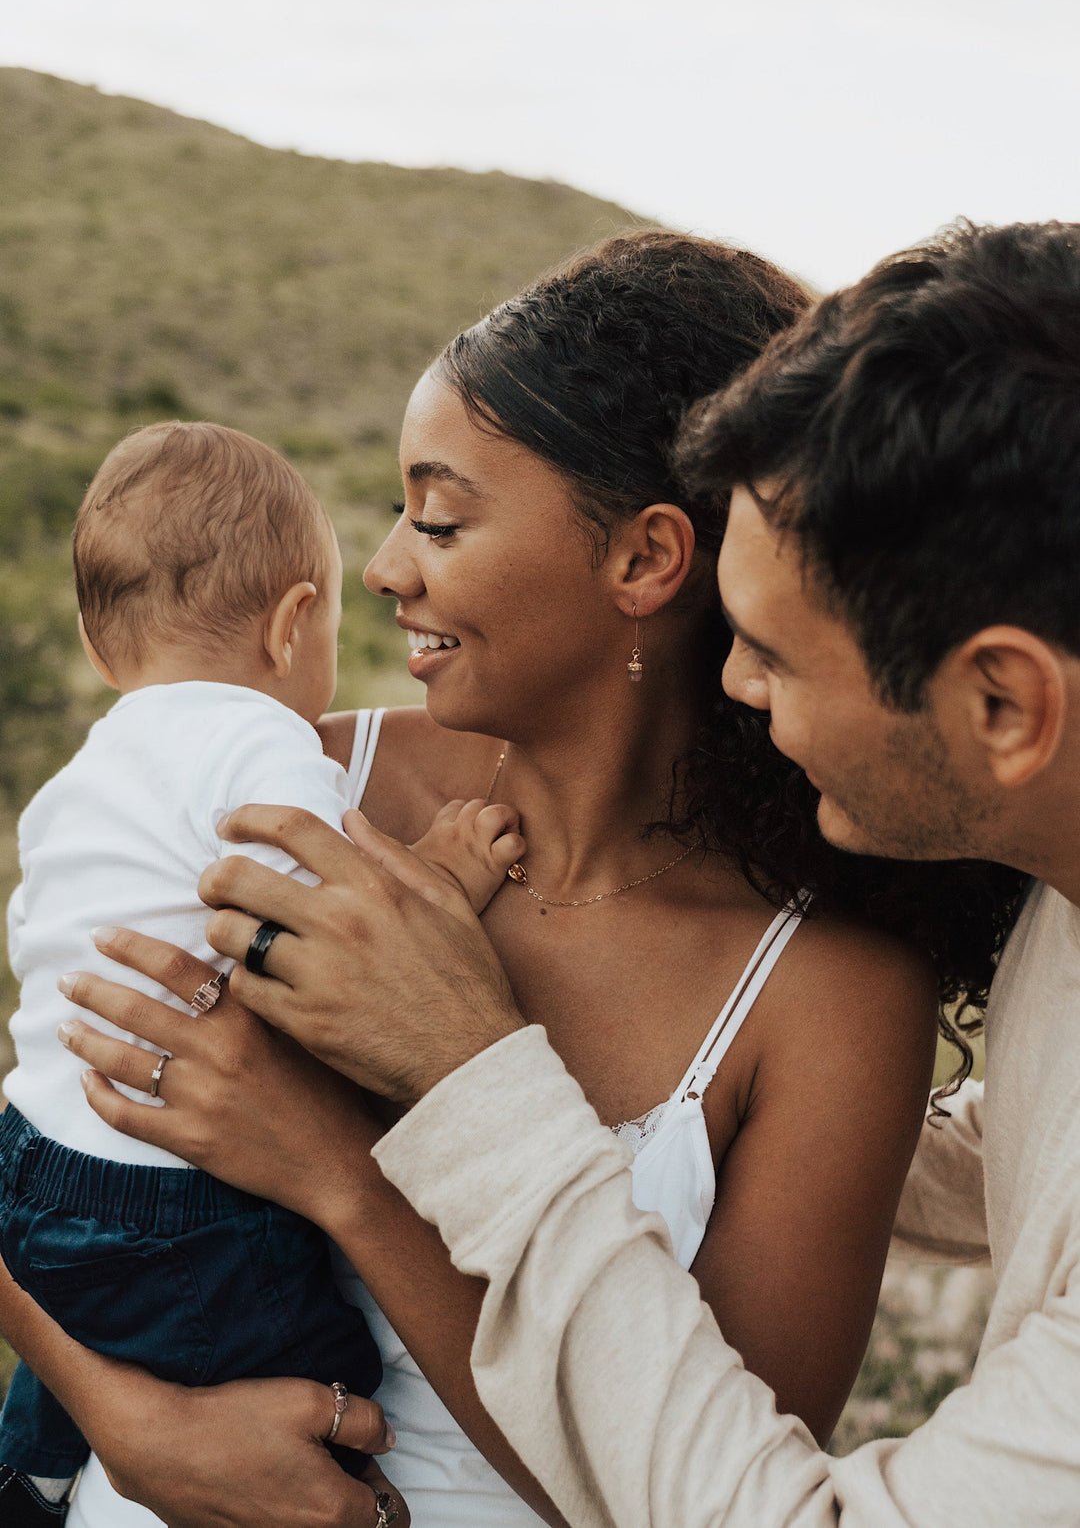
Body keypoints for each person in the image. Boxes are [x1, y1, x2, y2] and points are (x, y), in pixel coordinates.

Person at [2, 233, 1019, 1528]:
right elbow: (45, 1112)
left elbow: (716, 1496)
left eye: (438, 517)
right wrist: (120, 1418)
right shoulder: (300, 783)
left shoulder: (830, 990)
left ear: (644, 561)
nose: (381, 570)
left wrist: (344, 1178)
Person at [0, 421, 518, 1527]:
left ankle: (37, 1471)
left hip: (37, 1156)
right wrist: (445, 877)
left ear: (100, 653)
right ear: (293, 627)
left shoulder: (79, 778)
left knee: (87, 1324)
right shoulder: (260, 744)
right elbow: (323, 936)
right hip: (176, 1190)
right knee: (313, 1356)